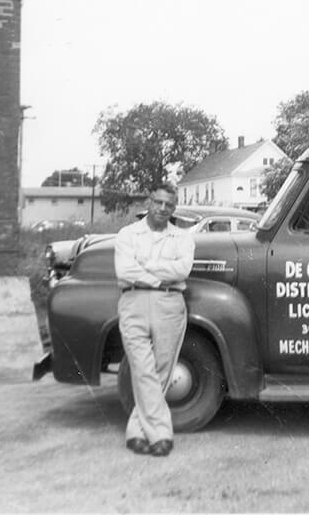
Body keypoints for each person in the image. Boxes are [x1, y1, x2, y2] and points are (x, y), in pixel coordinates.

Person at [114, 182, 195, 457]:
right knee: (142, 368)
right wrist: (161, 275)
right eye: (158, 202)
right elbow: (124, 270)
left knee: (161, 369)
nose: (162, 209)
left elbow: (182, 269)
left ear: (174, 208)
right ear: (149, 202)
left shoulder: (183, 238)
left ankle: (137, 431)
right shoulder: (128, 234)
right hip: (133, 302)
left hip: (169, 304)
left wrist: (145, 267)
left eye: (169, 205)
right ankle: (160, 434)